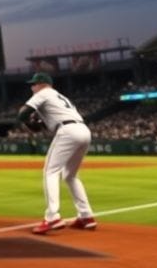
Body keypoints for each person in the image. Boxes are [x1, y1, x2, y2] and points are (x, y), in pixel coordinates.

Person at [18, 72, 97, 234]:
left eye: (34, 84)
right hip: (83, 130)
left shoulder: (44, 93)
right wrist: (34, 123)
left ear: (41, 84)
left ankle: (52, 217)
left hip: (67, 131)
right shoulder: (59, 97)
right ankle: (86, 216)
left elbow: (23, 113)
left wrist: (26, 120)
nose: (32, 87)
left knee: (50, 172)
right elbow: (41, 126)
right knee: (70, 176)